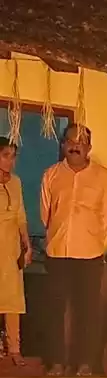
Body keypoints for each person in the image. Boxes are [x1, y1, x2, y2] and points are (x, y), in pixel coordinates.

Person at [40, 125, 107, 377]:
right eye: (70, 141)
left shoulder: (103, 176)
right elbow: (45, 214)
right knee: (54, 311)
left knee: (88, 312)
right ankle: (57, 363)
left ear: (89, 148)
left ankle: (84, 363)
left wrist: (91, 238)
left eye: (81, 142)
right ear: (63, 145)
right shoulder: (51, 175)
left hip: (90, 254)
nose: (75, 145)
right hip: (57, 253)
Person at [0, 139, 31, 364]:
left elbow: (20, 215)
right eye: (6, 155)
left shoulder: (16, 182)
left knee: (13, 297)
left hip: (10, 247)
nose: (11, 161)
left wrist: (27, 245)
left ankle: (14, 349)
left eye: (13, 156)